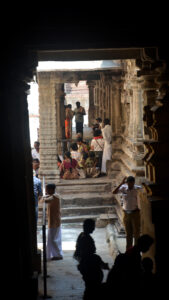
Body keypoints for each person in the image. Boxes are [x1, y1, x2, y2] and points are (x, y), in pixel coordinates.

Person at [74, 219, 109, 300]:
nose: (93, 228)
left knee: (89, 288)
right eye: (92, 227)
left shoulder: (81, 235)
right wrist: (102, 264)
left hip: (85, 266)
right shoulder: (87, 240)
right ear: (88, 227)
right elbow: (91, 256)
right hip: (90, 268)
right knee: (92, 289)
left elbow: (77, 254)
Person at [113, 176, 142, 250]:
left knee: (136, 233)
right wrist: (121, 183)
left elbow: (144, 190)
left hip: (135, 213)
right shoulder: (123, 188)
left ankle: (136, 250)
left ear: (134, 183)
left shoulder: (137, 189)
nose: (130, 186)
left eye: (132, 184)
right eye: (129, 184)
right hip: (126, 213)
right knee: (128, 234)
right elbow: (114, 192)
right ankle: (129, 251)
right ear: (127, 183)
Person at [40, 183, 63, 260]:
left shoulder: (54, 197)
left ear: (51, 190)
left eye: (47, 189)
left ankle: (58, 255)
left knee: (53, 239)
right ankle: (55, 254)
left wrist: (43, 197)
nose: (46, 191)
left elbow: (43, 200)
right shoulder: (54, 196)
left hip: (54, 222)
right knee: (53, 239)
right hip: (54, 221)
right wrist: (45, 196)